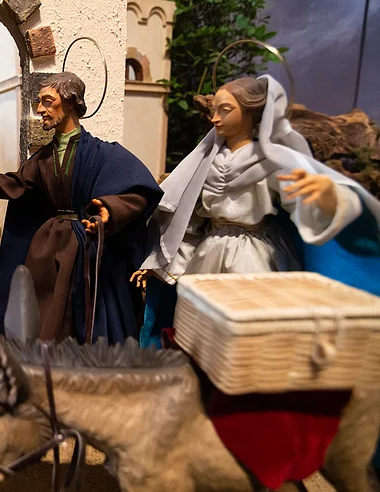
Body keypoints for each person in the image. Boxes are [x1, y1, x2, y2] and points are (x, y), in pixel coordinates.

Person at [136, 75, 380, 347]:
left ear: (250, 112)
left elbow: (300, 203)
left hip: (254, 255)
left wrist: (327, 196)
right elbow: (188, 224)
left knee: (252, 329)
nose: (215, 118)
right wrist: (160, 264)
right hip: (208, 254)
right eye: (214, 110)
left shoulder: (272, 160)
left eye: (225, 110)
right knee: (198, 329)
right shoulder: (204, 162)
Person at [0, 72, 163, 344]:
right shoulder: (42, 158)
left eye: (47, 101)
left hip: (85, 245)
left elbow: (138, 190)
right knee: (43, 306)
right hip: (46, 247)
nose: (39, 109)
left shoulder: (103, 153)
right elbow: (13, 185)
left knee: (84, 311)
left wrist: (109, 209)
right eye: (39, 102)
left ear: (70, 102)